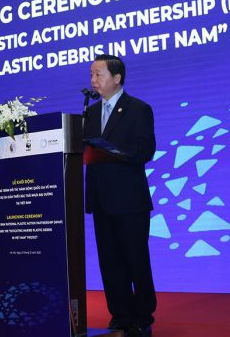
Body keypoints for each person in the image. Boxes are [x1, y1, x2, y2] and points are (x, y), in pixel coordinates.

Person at [84, 54, 157, 337]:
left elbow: (144, 151)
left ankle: (142, 315)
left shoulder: (138, 109)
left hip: (129, 200)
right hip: (101, 199)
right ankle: (120, 314)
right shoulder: (89, 114)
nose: (93, 80)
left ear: (117, 78)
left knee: (135, 259)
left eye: (98, 74)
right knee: (110, 261)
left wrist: (112, 152)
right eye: (91, 75)